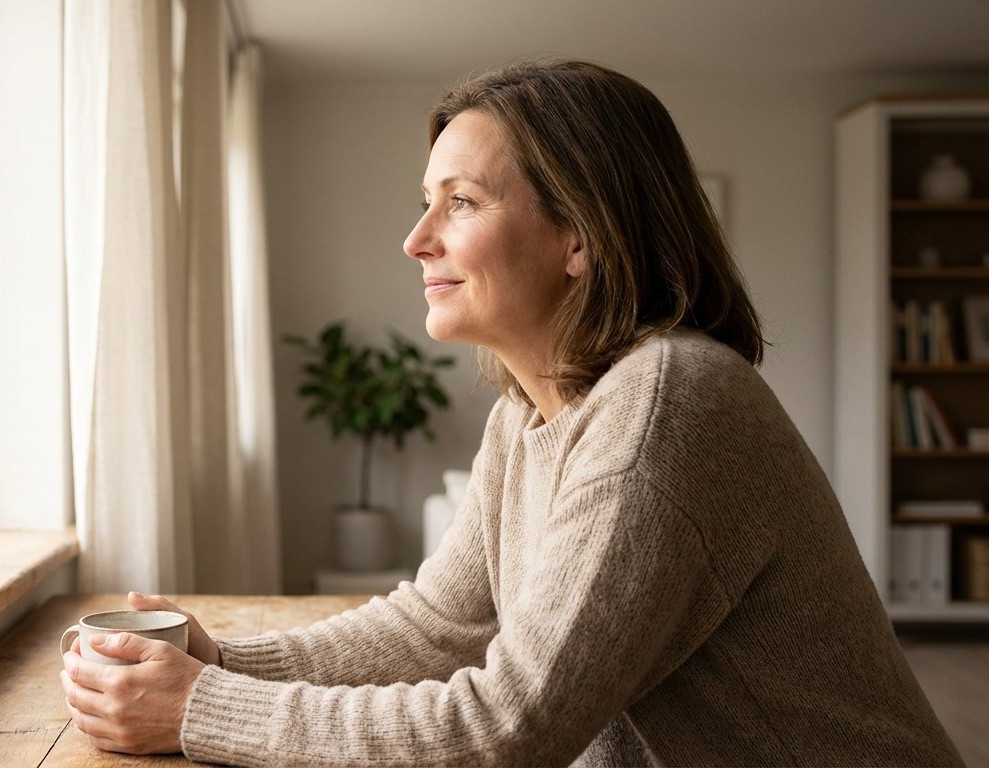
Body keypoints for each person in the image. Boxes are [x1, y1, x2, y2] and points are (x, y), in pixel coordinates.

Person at [60, 58, 963, 766]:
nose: (418, 241)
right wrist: (222, 666)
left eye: (462, 203)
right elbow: (438, 627)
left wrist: (204, 709)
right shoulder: (530, 415)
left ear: (583, 235)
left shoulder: (668, 402)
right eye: (427, 204)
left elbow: (506, 729)